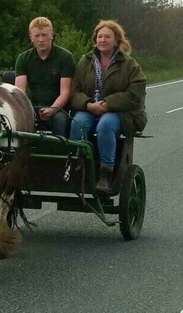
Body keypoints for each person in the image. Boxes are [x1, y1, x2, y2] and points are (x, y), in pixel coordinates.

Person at [69, 19, 147, 193]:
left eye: (107, 37)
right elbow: (74, 92)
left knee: (105, 125)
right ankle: (78, 166)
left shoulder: (129, 65)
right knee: (78, 123)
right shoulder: (85, 61)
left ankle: (106, 174)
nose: (102, 40)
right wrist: (88, 104)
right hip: (89, 108)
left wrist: (107, 104)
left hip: (119, 112)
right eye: (100, 36)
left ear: (116, 41)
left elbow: (135, 94)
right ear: (95, 39)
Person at [15, 17, 76, 137]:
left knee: (60, 121)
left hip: (58, 108)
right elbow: (19, 91)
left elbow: (65, 92)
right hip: (31, 106)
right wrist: (28, 109)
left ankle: (61, 152)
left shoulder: (65, 57)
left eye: (44, 35)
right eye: (37, 36)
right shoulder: (23, 59)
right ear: (31, 37)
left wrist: (52, 109)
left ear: (51, 35)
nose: (41, 40)